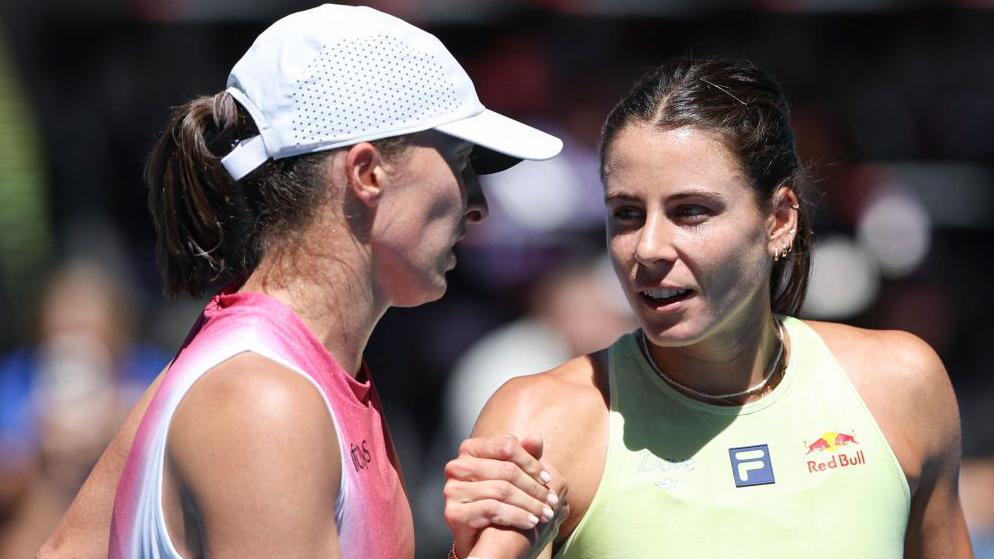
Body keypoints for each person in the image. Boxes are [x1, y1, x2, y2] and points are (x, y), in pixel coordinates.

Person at [39, 5, 568, 558]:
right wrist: (504, 548)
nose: (478, 204)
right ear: (367, 173)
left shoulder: (268, 372)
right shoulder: (263, 400)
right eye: (461, 162)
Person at [446, 57, 974, 558]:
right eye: (626, 213)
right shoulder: (542, 421)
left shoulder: (902, 385)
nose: (648, 247)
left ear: (780, 220)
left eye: (690, 211)